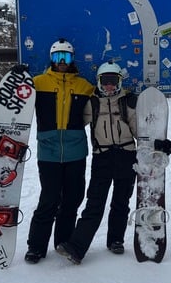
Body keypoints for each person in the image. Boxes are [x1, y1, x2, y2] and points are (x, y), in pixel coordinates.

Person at [55, 62, 139, 264]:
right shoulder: (91, 103)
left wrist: (156, 144)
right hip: (102, 157)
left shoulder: (128, 102)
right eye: (105, 81)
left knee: (121, 202)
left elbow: (139, 130)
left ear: (119, 82)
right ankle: (76, 247)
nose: (109, 86)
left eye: (113, 81)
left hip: (127, 155)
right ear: (99, 83)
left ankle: (115, 240)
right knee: (95, 203)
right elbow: (74, 122)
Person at [24, 38, 95, 264]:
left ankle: (63, 242)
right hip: (49, 150)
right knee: (49, 198)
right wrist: (18, 78)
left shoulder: (84, 86)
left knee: (73, 198)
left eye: (66, 57)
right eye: (57, 57)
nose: (62, 61)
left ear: (72, 59)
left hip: (76, 150)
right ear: (52, 59)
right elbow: (18, 99)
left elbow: (103, 103)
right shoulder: (38, 83)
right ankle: (36, 247)